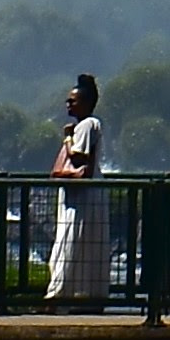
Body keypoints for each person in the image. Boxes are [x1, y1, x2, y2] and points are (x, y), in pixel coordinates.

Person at [49, 73, 110, 305]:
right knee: (86, 245)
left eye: (72, 101)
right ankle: (88, 295)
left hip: (82, 199)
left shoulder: (86, 125)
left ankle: (61, 295)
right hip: (88, 195)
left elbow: (78, 155)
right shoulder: (88, 125)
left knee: (71, 242)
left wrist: (66, 138)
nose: (68, 104)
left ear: (85, 103)